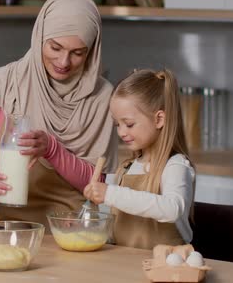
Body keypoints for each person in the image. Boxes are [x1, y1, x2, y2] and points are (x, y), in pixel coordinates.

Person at [0, 0, 117, 228]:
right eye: (55, 47)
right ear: (40, 36)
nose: (64, 62)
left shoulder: (102, 96)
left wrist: (52, 149)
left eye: (77, 53)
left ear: (92, 51)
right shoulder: (0, 85)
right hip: (8, 224)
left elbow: (97, 181)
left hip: (72, 231)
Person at [84, 69, 196, 249]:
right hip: (125, 265)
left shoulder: (176, 165)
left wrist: (109, 193)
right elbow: (117, 225)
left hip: (166, 267)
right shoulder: (126, 168)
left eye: (128, 124)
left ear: (159, 119)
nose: (121, 132)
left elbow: (172, 209)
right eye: (117, 124)